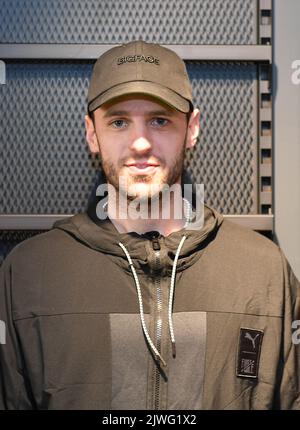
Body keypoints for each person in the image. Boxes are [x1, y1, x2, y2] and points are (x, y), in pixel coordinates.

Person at [0, 40, 299, 410]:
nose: (140, 142)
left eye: (160, 120)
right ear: (92, 134)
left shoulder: (261, 271)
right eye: (119, 121)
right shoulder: (30, 273)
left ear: (192, 129)